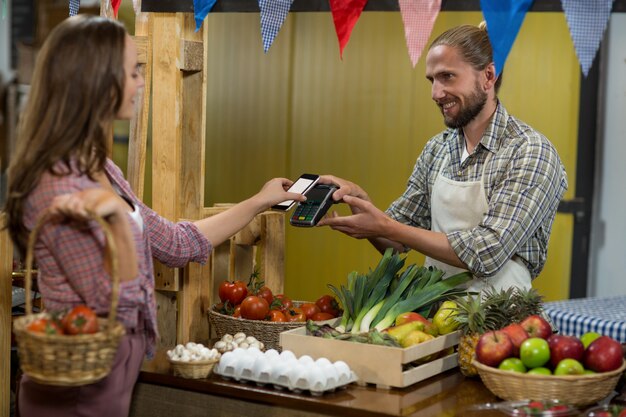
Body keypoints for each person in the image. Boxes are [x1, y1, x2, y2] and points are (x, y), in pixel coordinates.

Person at [3, 15, 305, 417]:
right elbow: (117, 302)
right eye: (132, 72)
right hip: (75, 393)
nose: (141, 82)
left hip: (111, 382)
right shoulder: (57, 185)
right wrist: (113, 216)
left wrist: (258, 201)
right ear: (96, 82)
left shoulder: (101, 168)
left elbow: (176, 242)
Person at [318, 23, 568, 293]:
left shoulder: (530, 151)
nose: (436, 93)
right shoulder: (437, 149)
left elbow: (488, 253)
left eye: (448, 76)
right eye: (432, 80)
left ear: (488, 76)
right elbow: (395, 242)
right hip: (437, 318)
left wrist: (387, 226)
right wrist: (360, 200)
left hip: (502, 320)